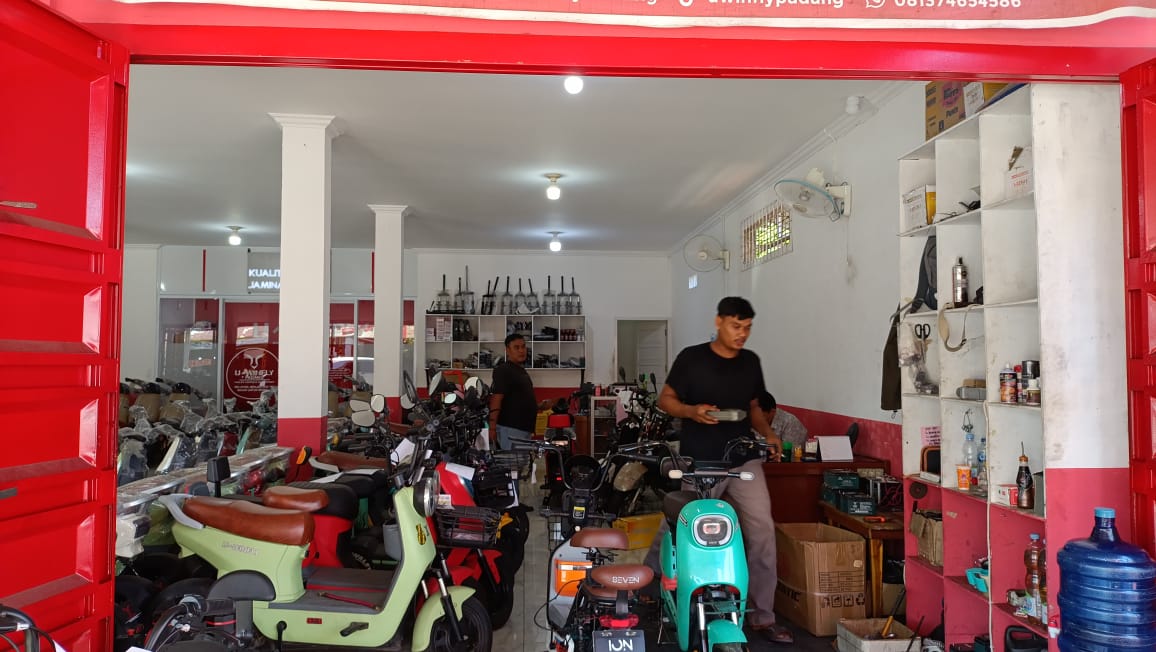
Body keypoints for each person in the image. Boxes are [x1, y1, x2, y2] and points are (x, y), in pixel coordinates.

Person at [653, 296, 793, 644]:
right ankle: (653, 582)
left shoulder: (750, 362)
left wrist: (769, 433)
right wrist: (691, 411)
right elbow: (665, 400)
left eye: (747, 327)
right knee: (680, 527)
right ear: (718, 322)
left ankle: (761, 615)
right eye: (735, 326)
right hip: (701, 462)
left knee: (762, 533)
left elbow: (754, 408)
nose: (742, 333)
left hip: (743, 459)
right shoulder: (692, 358)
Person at [488, 333, 549, 449]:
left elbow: (518, 400)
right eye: (516, 347)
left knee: (522, 460)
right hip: (511, 430)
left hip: (523, 429)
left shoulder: (521, 371)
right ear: (507, 350)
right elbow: (496, 399)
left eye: (523, 346)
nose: (521, 350)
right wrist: (492, 428)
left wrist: (539, 406)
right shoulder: (503, 370)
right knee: (512, 460)